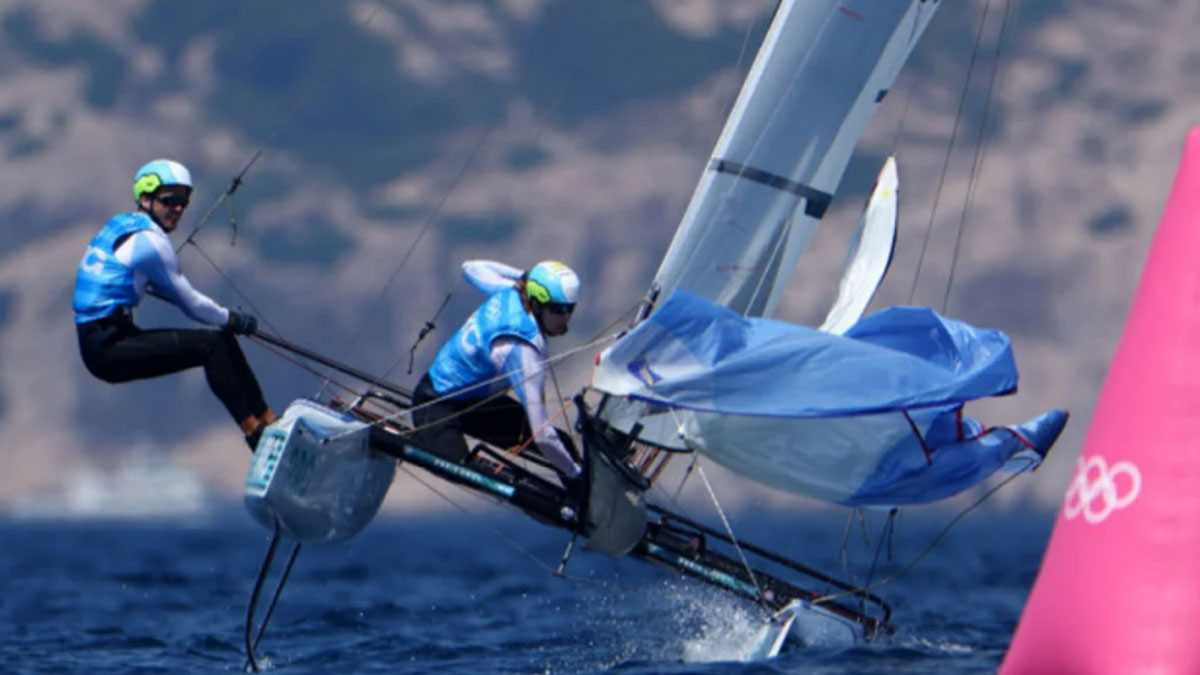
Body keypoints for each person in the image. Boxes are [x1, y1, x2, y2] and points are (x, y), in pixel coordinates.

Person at [73, 158, 275, 450]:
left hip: (109, 336)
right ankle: (257, 433)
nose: (178, 209)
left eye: (183, 201)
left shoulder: (122, 225)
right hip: (106, 347)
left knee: (220, 340)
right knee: (212, 345)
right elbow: (191, 304)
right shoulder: (151, 243)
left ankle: (268, 420)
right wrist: (232, 318)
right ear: (146, 199)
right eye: (169, 200)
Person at [412, 260, 584, 493]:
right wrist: (575, 474)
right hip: (434, 403)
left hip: (475, 403)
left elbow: (471, 268)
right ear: (536, 303)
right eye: (558, 310)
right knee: (466, 471)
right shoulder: (521, 348)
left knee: (563, 444)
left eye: (570, 309)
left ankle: (595, 500)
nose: (566, 318)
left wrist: (523, 277)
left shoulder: (511, 292)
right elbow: (542, 435)